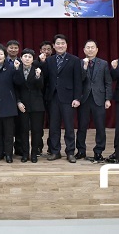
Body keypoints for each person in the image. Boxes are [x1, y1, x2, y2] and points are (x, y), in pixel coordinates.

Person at [38, 34, 82, 163]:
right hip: (52, 98)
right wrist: (41, 63)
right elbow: (44, 78)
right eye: (58, 43)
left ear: (66, 45)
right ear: (53, 46)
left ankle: (70, 152)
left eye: (63, 43)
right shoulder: (49, 60)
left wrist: (77, 98)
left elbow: (78, 81)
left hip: (68, 98)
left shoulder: (74, 60)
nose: (60, 45)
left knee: (69, 126)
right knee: (54, 126)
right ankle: (55, 151)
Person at [75, 40, 112, 162]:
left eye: (92, 47)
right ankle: (81, 150)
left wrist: (108, 99)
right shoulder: (79, 63)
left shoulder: (103, 63)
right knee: (82, 126)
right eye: (88, 47)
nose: (90, 49)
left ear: (97, 50)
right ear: (84, 50)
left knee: (100, 127)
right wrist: (84, 67)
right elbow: (78, 81)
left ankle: (98, 151)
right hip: (84, 99)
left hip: (99, 99)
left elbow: (108, 82)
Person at [0, 45, 18, 163]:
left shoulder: (11, 68)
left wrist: (16, 70)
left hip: (8, 105)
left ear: (5, 56)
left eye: (1, 54)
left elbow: (18, 83)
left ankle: (8, 154)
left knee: (9, 132)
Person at [13, 48, 45, 163]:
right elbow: (16, 85)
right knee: (23, 130)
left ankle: (34, 153)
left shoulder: (38, 69)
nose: (27, 59)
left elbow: (41, 86)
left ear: (33, 59)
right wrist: (18, 102)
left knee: (36, 131)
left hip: (37, 104)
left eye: (30, 57)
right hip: (23, 104)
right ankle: (25, 154)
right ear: (21, 58)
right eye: (25, 56)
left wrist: (38, 76)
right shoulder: (17, 68)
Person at [39, 40, 54, 156]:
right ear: (40, 51)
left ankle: (51, 147)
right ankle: (38, 147)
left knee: (53, 123)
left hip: (52, 96)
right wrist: (42, 63)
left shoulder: (54, 61)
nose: (46, 51)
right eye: (44, 49)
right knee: (38, 124)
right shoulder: (34, 62)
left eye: (48, 49)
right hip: (38, 97)